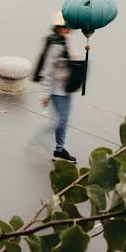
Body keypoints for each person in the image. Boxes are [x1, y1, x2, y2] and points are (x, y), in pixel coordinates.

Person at [33, 13, 77, 163]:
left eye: (68, 28)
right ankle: (40, 138)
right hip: (57, 91)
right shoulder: (55, 45)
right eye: (65, 27)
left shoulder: (65, 42)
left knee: (64, 121)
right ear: (58, 28)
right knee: (61, 121)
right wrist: (45, 94)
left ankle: (59, 150)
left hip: (66, 89)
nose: (68, 30)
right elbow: (47, 71)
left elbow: (67, 64)